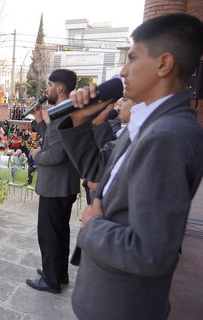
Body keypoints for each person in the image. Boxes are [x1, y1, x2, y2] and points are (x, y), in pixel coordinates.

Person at [57, 14, 203, 319]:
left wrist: (93, 225)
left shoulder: (167, 137)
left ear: (164, 64)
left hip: (121, 307)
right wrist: (80, 119)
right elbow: (97, 171)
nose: (123, 71)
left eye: (132, 58)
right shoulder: (147, 124)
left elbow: (152, 252)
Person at [26, 69, 80, 294]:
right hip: (65, 185)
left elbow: (55, 155)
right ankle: (59, 272)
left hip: (55, 186)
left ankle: (51, 280)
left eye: (49, 85)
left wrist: (36, 155)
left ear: (59, 88)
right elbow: (54, 139)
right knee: (60, 231)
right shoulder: (66, 111)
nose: (46, 90)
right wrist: (39, 121)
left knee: (48, 234)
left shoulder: (61, 114)